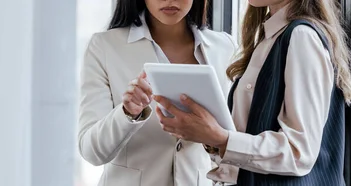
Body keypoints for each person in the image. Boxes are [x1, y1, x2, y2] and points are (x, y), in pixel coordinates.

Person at [153, 0, 351, 185]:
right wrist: (211, 138)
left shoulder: (301, 36)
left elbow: (298, 153)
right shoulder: (271, 37)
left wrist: (221, 139)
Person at [77, 0, 236, 185]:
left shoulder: (225, 47)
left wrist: (212, 138)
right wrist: (127, 113)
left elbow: (236, 145)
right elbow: (92, 152)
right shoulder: (104, 46)